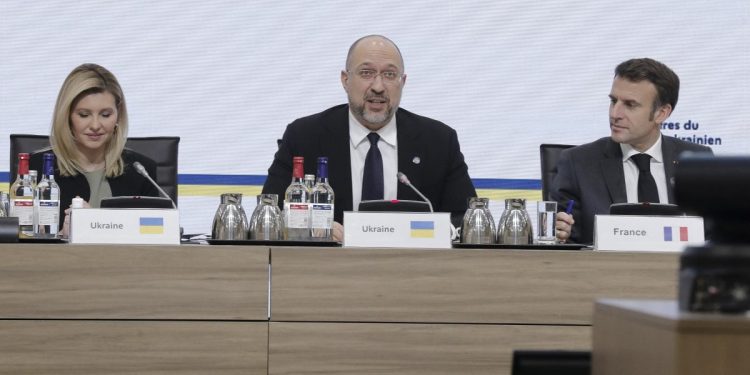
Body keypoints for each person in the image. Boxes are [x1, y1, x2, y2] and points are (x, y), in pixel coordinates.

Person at [262, 35, 477, 240]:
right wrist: (311, 227)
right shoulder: (304, 136)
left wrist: (432, 234)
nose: (378, 86)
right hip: (329, 269)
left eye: (390, 75)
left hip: (413, 269)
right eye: (366, 73)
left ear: (403, 82)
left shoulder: (438, 140)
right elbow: (269, 213)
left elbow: (467, 219)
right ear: (345, 80)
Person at [551, 58, 713, 245]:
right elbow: (566, 239)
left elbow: (713, 234)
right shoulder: (578, 163)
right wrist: (559, 236)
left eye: (630, 105)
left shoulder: (696, 161)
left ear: (661, 113)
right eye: (613, 101)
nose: (615, 114)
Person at [29, 63, 158, 236]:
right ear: (67, 116)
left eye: (105, 115)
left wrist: (92, 224)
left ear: (118, 115)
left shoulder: (141, 171)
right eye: (84, 115)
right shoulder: (38, 170)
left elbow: (155, 238)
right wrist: (60, 236)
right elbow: (20, 248)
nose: (95, 125)